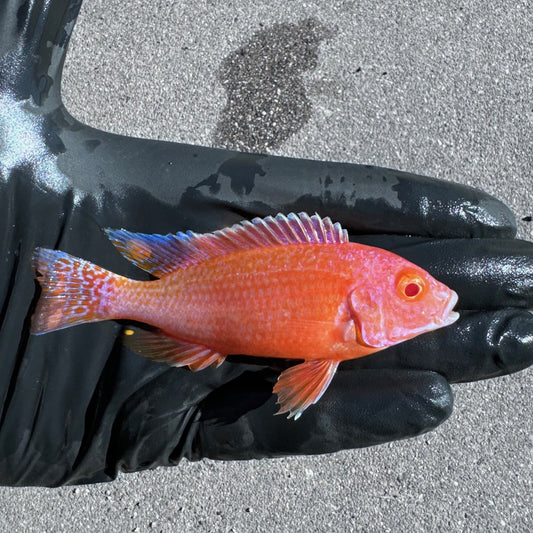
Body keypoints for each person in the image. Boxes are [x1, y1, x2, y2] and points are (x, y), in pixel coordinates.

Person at [0, 0, 531, 487]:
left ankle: (96, 294)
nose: (432, 296)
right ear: (363, 298)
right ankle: (98, 294)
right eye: (411, 289)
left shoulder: (351, 318)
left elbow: (308, 369)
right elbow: (307, 369)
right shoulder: (347, 323)